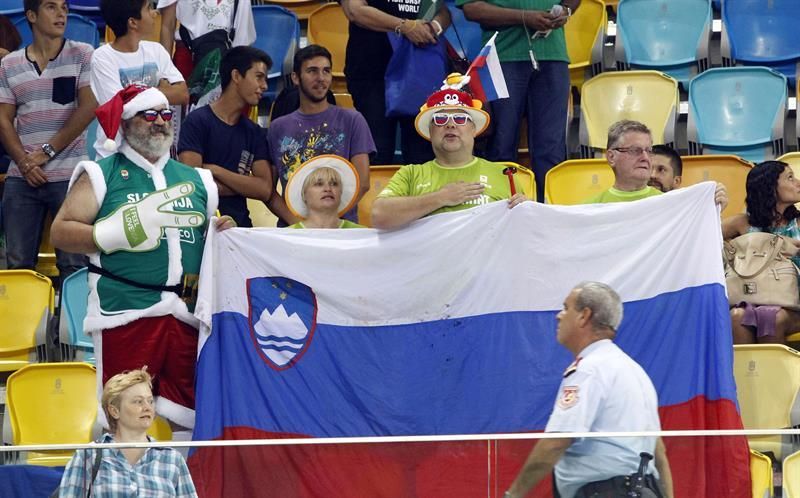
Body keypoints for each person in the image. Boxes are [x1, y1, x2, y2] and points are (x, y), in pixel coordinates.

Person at [50, 85, 233, 435]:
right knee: (123, 413)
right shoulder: (101, 173)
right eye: (149, 115)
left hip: (186, 314)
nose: (161, 122)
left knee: (189, 411)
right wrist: (110, 233)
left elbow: (204, 245)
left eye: (166, 115)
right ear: (126, 122)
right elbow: (60, 232)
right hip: (127, 311)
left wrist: (225, 230)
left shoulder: (197, 180)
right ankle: (119, 484)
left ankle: (182, 484)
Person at [505, 282, 673, 498]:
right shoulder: (635, 372)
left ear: (584, 316)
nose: (559, 315)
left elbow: (556, 442)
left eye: (566, 308)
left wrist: (513, 494)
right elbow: (659, 455)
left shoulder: (589, 369)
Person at [0, 0, 94, 278]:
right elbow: (3, 119)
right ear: (31, 15)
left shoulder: (82, 54)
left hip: (70, 174)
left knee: (75, 265)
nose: (62, 14)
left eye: (64, 7)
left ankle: (71, 322)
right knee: (17, 266)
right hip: (22, 175)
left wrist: (46, 152)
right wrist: (25, 162)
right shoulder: (10, 64)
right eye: (51, 7)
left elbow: (89, 107)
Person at [371, 77, 529, 229]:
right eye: (440, 119)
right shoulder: (411, 173)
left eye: (460, 118)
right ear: (430, 131)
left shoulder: (504, 174)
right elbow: (379, 215)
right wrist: (441, 198)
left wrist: (525, 212)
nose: (450, 125)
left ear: (474, 129)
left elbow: (524, 234)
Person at [460, 0, 576, 202]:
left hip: (553, 56)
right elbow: (472, 9)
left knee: (551, 148)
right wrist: (524, 17)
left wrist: (566, 10)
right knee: (501, 144)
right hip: (502, 58)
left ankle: (548, 212)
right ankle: (499, 209)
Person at [267, 44, 375, 226]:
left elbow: (362, 183)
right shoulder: (278, 127)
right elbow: (267, 189)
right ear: (295, 77)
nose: (321, 78)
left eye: (326, 71)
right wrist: (300, 225)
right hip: (293, 231)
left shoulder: (352, 120)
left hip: (339, 229)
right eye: (312, 71)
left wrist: (326, 222)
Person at [57, 368, 198, 497]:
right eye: (138, 402)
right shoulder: (87, 456)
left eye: (150, 401)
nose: (147, 408)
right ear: (114, 411)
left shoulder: (173, 459)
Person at [340, 0, 450, 166]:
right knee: (377, 151)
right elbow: (355, 11)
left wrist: (433, 27)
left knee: (422, 155)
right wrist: (404, 26)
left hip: (419, 73)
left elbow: (443, 10)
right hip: (372, 73)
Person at [178, 46, 272, 228]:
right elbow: (192, 184)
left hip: (241, 229)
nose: (265, 86)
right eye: (259, 77)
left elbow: (264, 189)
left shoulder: (254, 131)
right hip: (201, 228)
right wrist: (242, 186)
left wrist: (214, 170)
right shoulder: (197, 121)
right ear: (236, 76)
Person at [91, 0, 188, 158]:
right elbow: (120, 106)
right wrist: (161, 90)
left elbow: (182, 95)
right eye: (148, 8)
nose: (154, 13)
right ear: (133, 22)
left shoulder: (156, 51)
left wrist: (134, 93)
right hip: (116, 155)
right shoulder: (102, 57)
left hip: (155, 155)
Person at [723, 160, 800, 345]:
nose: (798, 182)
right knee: (737, 316)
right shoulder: (741, 224)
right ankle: (745, 374)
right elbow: (701, 236)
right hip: (748, 300)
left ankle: (772, 374)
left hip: (794, 304)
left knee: (771, 318)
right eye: (790, 178)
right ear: (770, 188)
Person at [584, 120, 727, 208]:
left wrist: (712, 210)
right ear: (611, 157)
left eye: (648, 150)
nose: (645, 157)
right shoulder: (588, 210)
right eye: (635, 150)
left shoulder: (674, 205)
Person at [157, 0, 255, 80]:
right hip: (187, 57)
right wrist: (165, 71)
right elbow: (167, 26)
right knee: (185, 101)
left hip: (224, 60)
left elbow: (242, 40)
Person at [284, 155, 365, 229]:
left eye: (334, 184)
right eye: (319, 184)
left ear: (341, 192)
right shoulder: (287, 236)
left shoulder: (361, 234)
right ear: (304, 194)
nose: (328, 189)